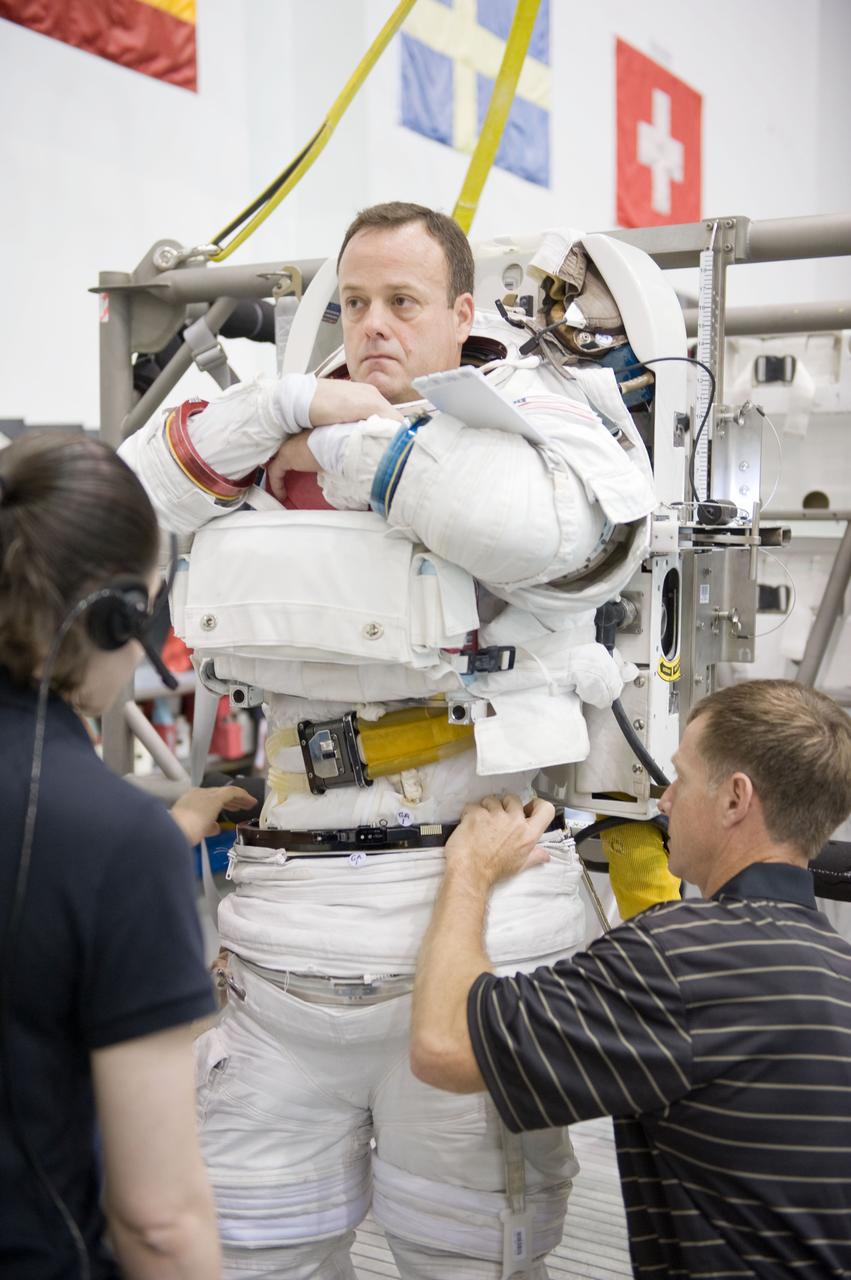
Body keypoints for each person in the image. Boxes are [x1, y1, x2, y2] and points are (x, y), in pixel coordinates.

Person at [119, 202, 662, 1278]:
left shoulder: (538, 418)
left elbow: (563, 539)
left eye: (403, 302)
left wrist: (356, 439)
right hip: (285, 947)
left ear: (463, 313)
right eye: (356, 300)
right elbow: (117, 507)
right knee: (250, 1248)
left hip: (477, 942)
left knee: (469, 1254)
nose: (373, 323)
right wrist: (278, 404)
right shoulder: (271, 429)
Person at [410, 678, 851, 1279]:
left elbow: (444, 1044)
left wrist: (471, 869)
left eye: (681, 779)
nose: (663, 800)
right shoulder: (836, 968)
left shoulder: (685, 958)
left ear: (735, 799)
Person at [0, 431, 253, 1279]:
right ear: (114, 616)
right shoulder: (110, 843)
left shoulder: (96, 840)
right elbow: (158, 1220)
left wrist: (163, 834)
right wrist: (142, 853)